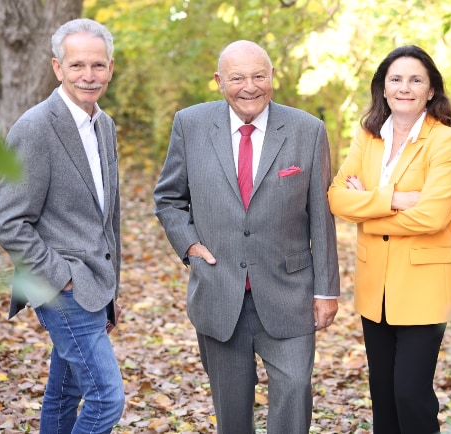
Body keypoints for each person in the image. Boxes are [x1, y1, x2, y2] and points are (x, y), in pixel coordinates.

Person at [153, 40, 340, 433]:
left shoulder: (308, 130)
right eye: (237, 78)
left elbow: (321, 217)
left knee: (293, 390)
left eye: (259, 76)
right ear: (220, 81)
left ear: (273, 78)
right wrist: (188, 245)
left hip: (289, 292)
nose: (249, 86)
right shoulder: (191, 124)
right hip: (219, 292)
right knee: (232, 411)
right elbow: (169, 198)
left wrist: (326, 290)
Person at [0, 18, 124, 434]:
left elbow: (107, 216)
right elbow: (10, 222)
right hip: (63, 287)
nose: (89, 75)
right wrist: (62, 278)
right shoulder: (35, 127)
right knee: (107, 399)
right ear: (57, 67)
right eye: (77, 65)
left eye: (98, 65)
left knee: (65, 393)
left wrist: (108, 289)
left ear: (111, 67)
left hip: (95, 284)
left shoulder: (104, 125)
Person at [328, 45, 451, 434]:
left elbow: (434, 215)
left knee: (410, 393)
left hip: (424, 286)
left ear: (431, 90)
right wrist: (396, 199)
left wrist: (367, 209)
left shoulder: (446, 142)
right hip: (377, 287)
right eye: (396, 79)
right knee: (383, 394)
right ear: (383, 89)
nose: (405, 87)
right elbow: (338, 197)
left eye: (416, 79)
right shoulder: (367, 136)